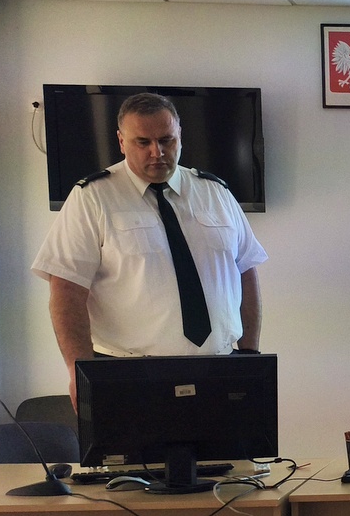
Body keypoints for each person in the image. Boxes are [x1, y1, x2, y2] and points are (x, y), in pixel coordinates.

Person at [31, 92, 267, 405]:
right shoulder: (92, 197)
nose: (157, 152)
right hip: (128, 375)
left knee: (232, 441)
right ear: (121, 141)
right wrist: (79, 372)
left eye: (167, 140)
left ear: (180, 135)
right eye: (143, 142)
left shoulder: (216, 193)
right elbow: (66, 291)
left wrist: (250, 355)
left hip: (220, 369)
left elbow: (246, 271)